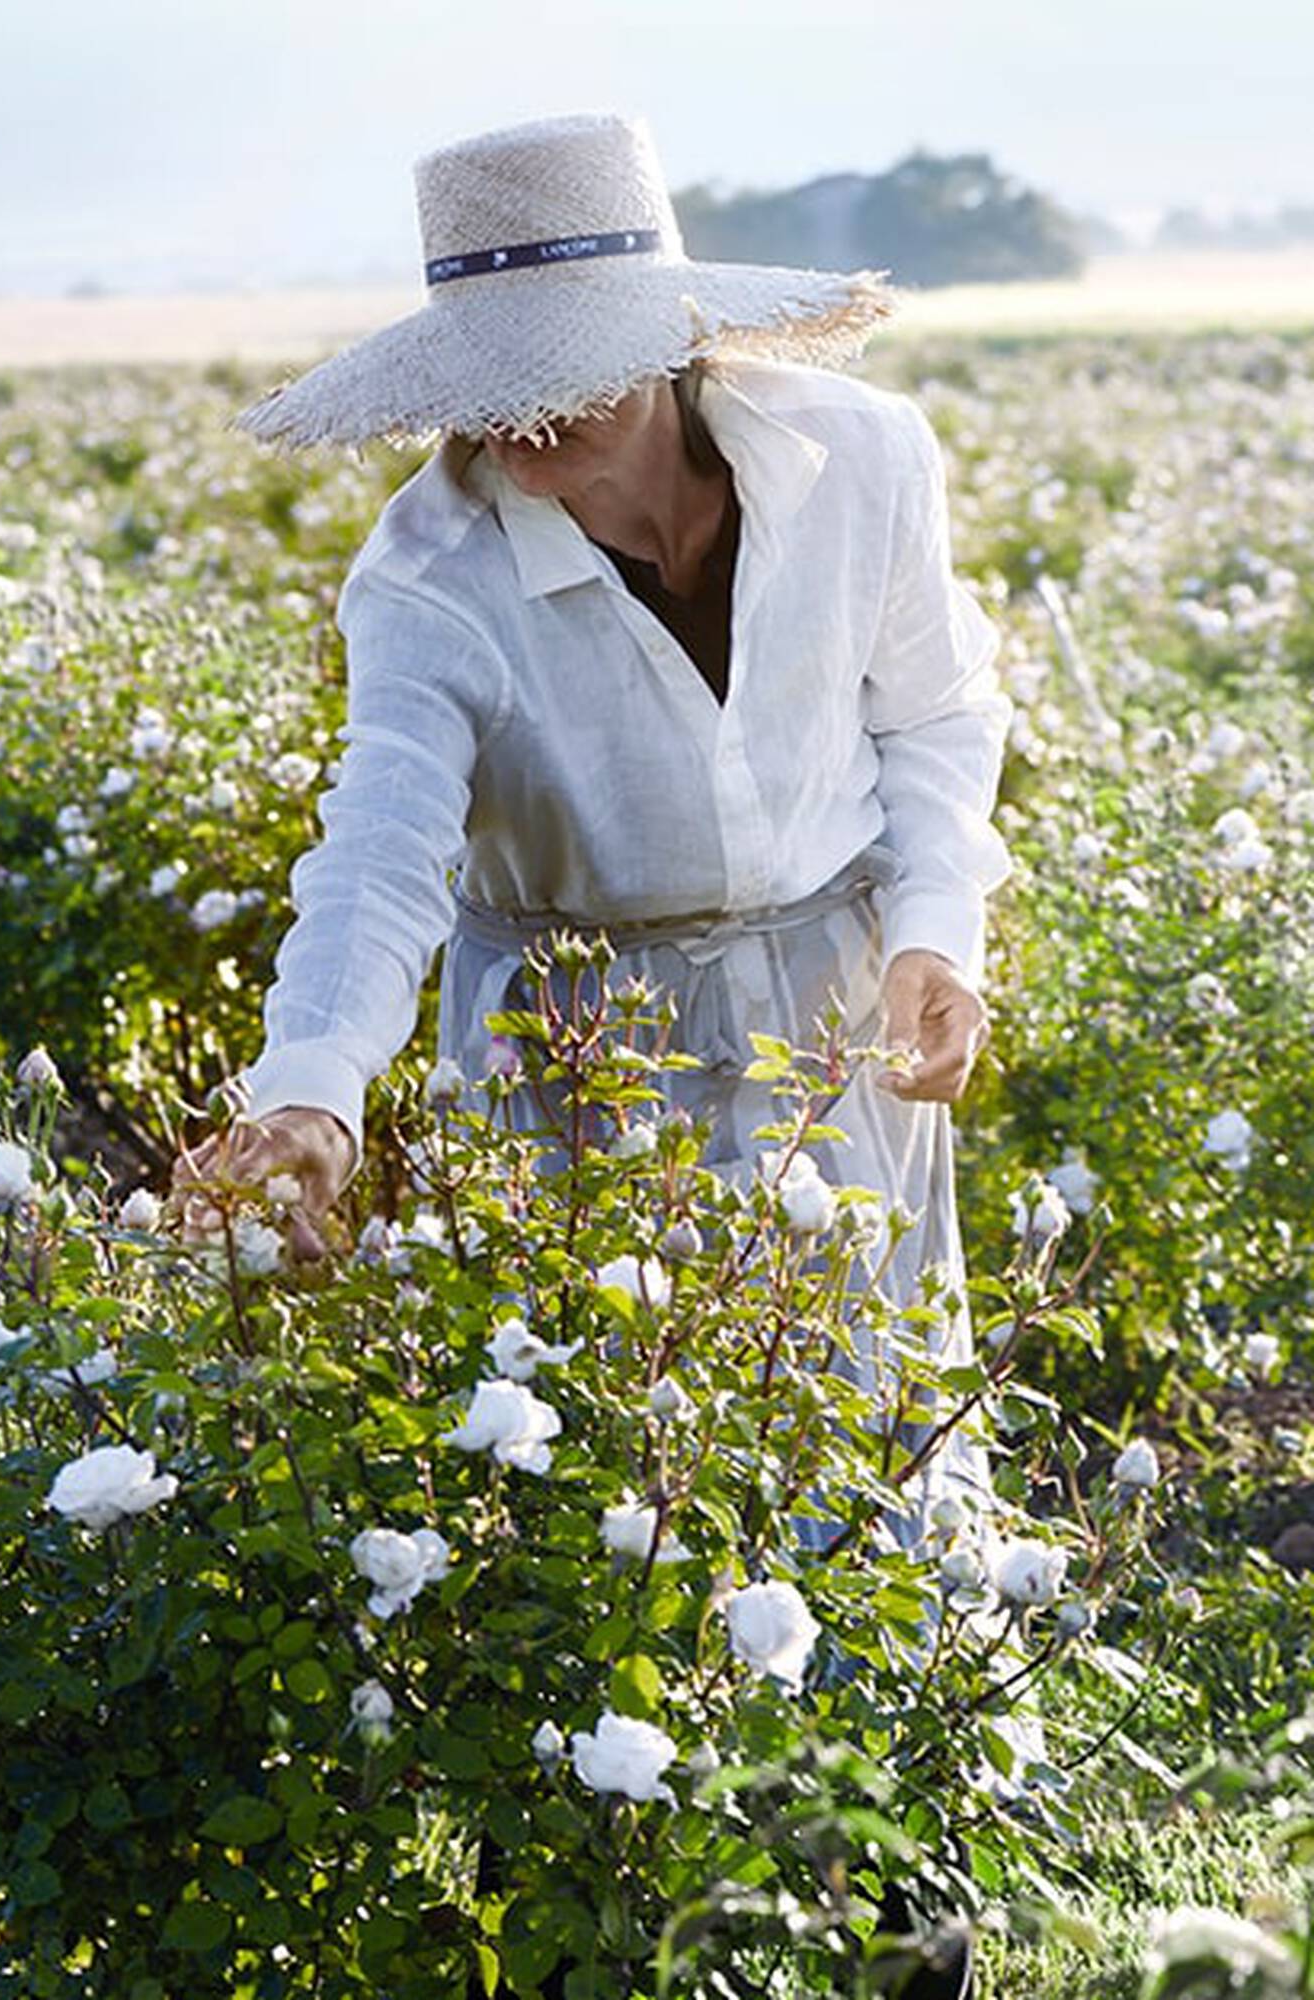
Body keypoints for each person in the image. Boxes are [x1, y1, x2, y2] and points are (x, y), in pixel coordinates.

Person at [174, 110, 1007, 1998]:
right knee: (628, 1483)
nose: (520, 426)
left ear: (667, 337)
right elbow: (382, 846)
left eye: (556, 376)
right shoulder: (429, 576)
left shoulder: (865, 459)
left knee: (874, 1427)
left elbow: (939, 719)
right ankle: (660, 1920)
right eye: (488, 386)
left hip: (828, 1016)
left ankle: (912, 1909)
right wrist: (309, 1089)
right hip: (579, 1045)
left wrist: (939, 936)